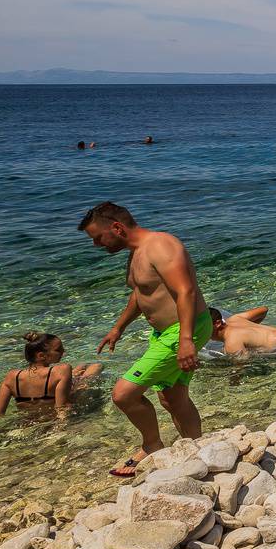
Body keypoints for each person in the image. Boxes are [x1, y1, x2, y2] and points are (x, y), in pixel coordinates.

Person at [81, 201, 211, 477]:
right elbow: (141, 293)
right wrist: (118, 328)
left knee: (123, 394)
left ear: (116, 227)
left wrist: (186, 340)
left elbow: (185, 291)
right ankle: (197, 448)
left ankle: (152, 445)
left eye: (98, 238)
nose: (96, 245)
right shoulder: (137, 253)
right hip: (165, 333)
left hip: (182, 330)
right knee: (172, 398)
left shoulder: (161, 246)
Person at [0, 331, 103, 423]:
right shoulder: (63, 369)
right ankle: (77, 379)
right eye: (58, 350)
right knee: (96, 366)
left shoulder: (12, 376)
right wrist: (60, 429)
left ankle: (76, 377)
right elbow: (61, 408)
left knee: (80, 367)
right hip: (51, 415)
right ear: (41, 355)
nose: (63, 352)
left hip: (28, 420)